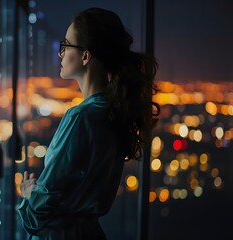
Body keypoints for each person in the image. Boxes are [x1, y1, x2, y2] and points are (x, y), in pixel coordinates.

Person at [18, 7, 160, 240]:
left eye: (66, 46)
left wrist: (30, 194)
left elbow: (38, 211)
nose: (61, 54)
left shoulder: (81, 117)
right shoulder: (112, 113)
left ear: (85, 56)